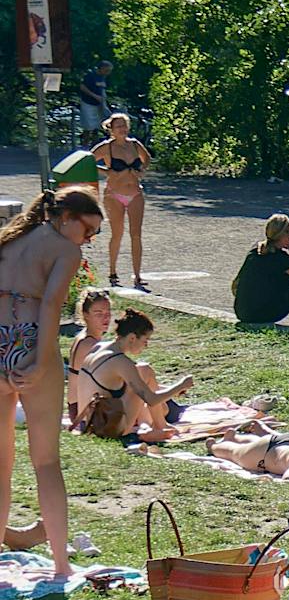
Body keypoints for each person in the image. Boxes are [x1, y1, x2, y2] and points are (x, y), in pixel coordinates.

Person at [0, 188, 103, 575]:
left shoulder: (10, 237)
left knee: (1, 463)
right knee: (46, 462)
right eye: (88, 230)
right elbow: (49, 305)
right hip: (30, 340)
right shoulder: (65, 250)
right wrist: (42, 363)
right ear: (67, 217)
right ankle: (62, 564)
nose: (88, 240)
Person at [71, 308, 188, 439]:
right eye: (145, 340)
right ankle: (159, 426)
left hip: (86, 423)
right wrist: (181, 385)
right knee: (145, 373)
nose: (146, 345)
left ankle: (153, 426)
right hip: (105, 429)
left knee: (143, 370)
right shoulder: (121, 361)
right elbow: (151, 399)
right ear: (132, 338)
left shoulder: (100, 347)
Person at [91, 112, 151, 290]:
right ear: (111, 130)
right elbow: (87, 161)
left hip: (135, 193)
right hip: (114, 195)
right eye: (119, 127)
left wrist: (141, 170)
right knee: (117, 233)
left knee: (136, 234)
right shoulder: (106, 148)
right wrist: (107, 172)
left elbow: (146, 158)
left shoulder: (134, 145)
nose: (123, 130)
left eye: (124, 126)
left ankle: (138, 276)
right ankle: (113, 271)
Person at [232, 214, 289, 331]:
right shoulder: (282, 259)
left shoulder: (255, 252)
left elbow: (270, 278)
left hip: (243, 312)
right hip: (264, 315)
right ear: (284, 234)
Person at [67, 286, 112, 430]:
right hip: (84, 410)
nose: (105, 318)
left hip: (81, 406)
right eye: (98, 313)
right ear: (85, 315)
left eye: (107, 313)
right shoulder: (89, 344)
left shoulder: (85, 337)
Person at [77, 60, 111, 140]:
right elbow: (82, 87)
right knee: (88, 127)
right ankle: (85, 146)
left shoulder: (102, 77)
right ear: (102, 68)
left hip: (99, 105)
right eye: (106, 70)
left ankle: (95, 146)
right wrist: (94, 96)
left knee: (98, 126)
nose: (108, 72)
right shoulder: (91, 75)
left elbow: (102, 90)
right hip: (88, 104)